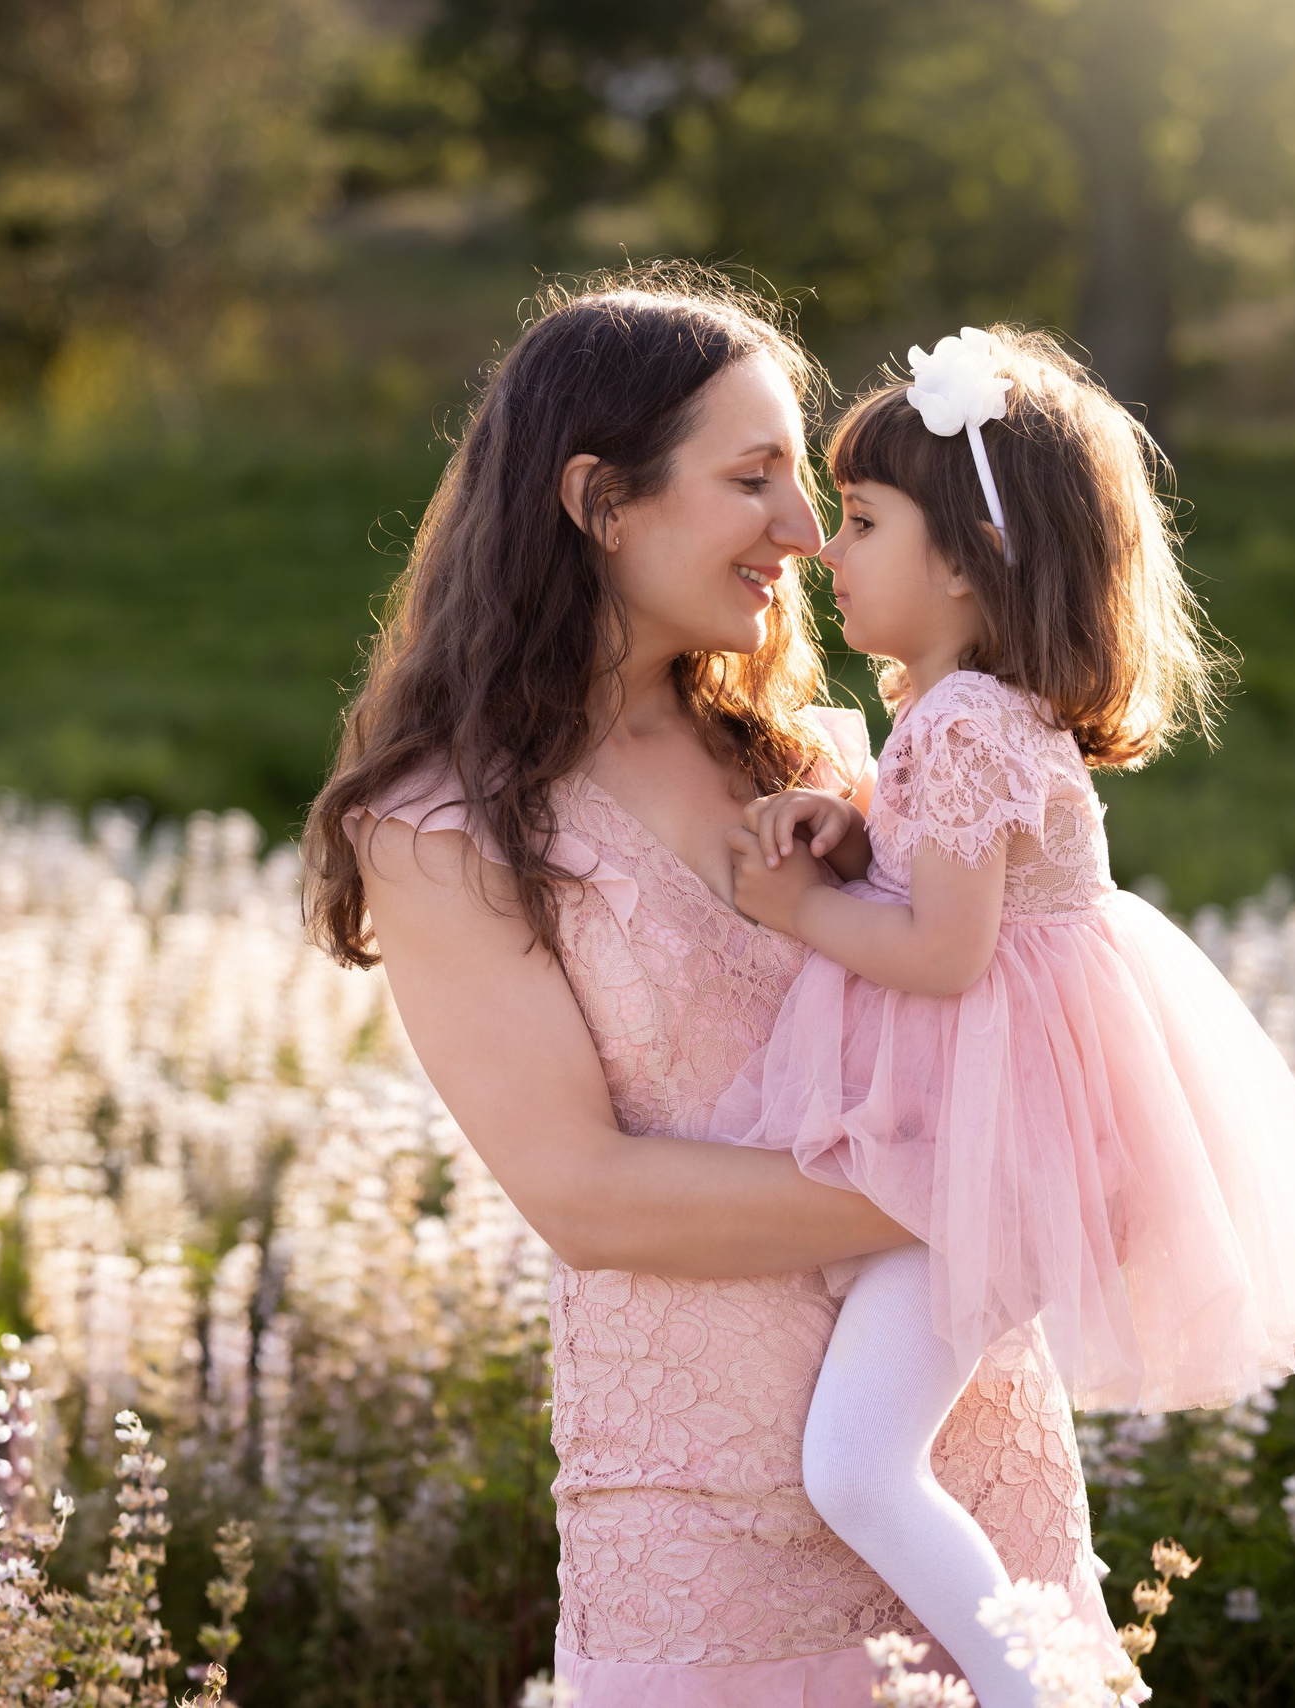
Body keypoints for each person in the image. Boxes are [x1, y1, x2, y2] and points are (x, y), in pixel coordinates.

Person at [308, 275, 1112, 1705]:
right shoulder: (442, 830)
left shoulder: (817, 759)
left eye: (811, 489)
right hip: (706, 1521)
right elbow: (589, 1197)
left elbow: (1011, 983)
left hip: (968, 1477)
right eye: (754, 480)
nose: (803, 531)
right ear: (600, 503)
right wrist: (979, 1186)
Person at [709, 326, 1295, 1704]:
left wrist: (796, 909)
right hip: (1003, 1126)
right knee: (865, 1450)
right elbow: (951, 876)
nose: (825, 550)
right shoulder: (973, 709)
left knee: (856, 1467)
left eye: (863, 521)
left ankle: (1033, 1691)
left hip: (984, 1143)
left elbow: (947, 953)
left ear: (969, 561)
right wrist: (852, 836)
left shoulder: (965, 721)